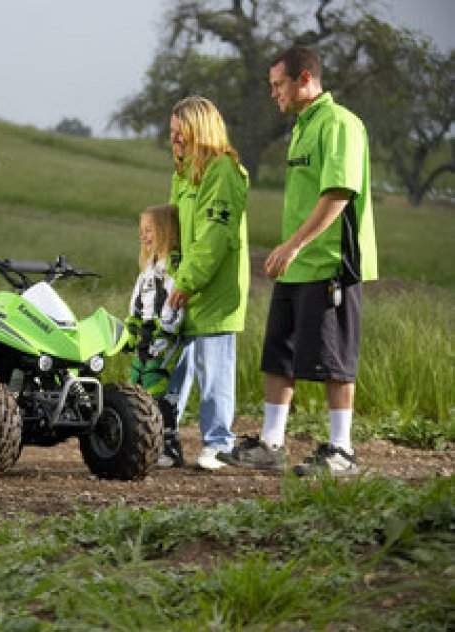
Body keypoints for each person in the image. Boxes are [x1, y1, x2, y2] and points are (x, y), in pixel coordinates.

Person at [219, 46, 377, 477]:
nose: (274, 94)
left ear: (304, 79)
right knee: (279, 354)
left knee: (335, 361)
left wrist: (294, 246)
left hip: (330, 263)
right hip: (298, 265)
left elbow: (339, 194)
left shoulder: (339, 123)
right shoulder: (302, 128)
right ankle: (271, 444)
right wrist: (290, 251)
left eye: (278, 85)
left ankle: (342, 452)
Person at [165, 95, 251, 470]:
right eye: (171, 135)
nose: (174, 142)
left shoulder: (223, 171)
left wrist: (188, 280)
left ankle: (218, 442)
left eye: (180, 134)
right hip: (183, 284)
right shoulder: (182, 174)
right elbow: (173, 228)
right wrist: (169, 275)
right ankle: (166, 441)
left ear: (199, 129)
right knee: (171, 365)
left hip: (213, 288)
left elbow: (215, 236)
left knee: (213, 367)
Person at [125, 204, 186, 466]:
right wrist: (130, 330)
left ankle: (170, 447)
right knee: (137, 383)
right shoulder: (148, 267)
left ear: (165, 231)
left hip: (163, 333)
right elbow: (137, 302)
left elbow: (174, 303)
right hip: (145, 332)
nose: (143, 235)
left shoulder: (172, 266)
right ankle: (142, 443)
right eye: (141, 231)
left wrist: (166, 333)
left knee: (156, 384)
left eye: (149, 230)